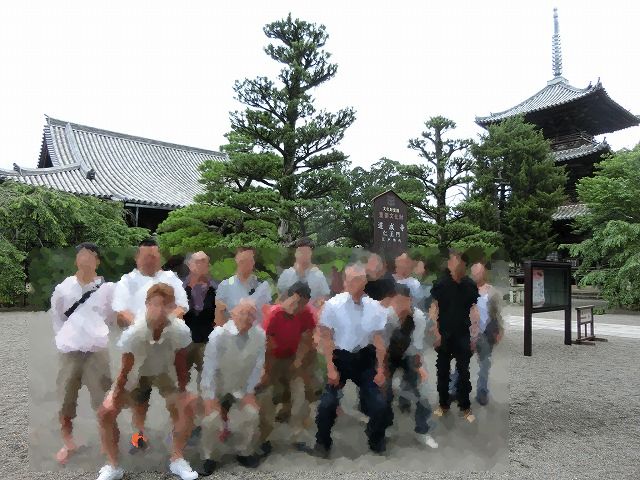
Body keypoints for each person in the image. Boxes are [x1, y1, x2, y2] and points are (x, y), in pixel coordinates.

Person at [95, 283, 198, 480]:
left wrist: (183, 391)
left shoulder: (180, 330)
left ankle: (177, 459)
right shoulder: (134, 333)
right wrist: (114, 396)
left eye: (165, 305)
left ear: (172, 307)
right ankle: (113, 466)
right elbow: (125, 370)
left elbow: (180, 363)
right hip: (137, 372)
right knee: (106, 412)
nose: (159, 310)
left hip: (165, 372)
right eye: (155, 304)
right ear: (147, 305)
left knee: (188, 404)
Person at [111, 237, 189, 452]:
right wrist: (143, 326)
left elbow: (182, 307)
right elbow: (121, 311)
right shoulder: (127, 280)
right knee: (139, 394)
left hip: (166, 343)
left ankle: (177, 433)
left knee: (173, 392)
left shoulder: (170, 278)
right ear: (137, 258)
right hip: (138, 344)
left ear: (159, 257)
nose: (150, 260)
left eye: (154, 256)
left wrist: (164, 321)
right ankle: (139, 433)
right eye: (146, 257)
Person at [312, 263, 389, 457]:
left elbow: (379, 341)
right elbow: (326, 337)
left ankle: (375, 438)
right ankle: (322, 442)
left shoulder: (375, 307)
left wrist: (381, 369)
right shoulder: (333, 305)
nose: (354, 284)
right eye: (350, 280)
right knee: (327, 404)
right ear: (345, 282)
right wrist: (330, 367)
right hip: (340, 357)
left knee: (379, 404)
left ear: (364, 282)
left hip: (364, 358)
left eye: (358, 280)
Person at [50, 243, 116, 465]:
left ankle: (107, 441)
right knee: (66, 399)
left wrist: (97, 332)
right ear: (76, 259)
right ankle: (68, 442)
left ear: (98, 261)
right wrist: (66, 338)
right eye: (82, 255)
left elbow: (111, 317)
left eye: (90, 256)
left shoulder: (107, 289)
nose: (86, 259)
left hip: (97, 351)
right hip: (69, 351)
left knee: (103, 399)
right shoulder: (63, 288)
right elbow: (57, 318)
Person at [199, 299, 266, 475]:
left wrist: (250, 391)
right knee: (211, 418)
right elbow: (209, 370)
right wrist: (210, 398)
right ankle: (210, 457)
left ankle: (243, 451)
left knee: (252, 414)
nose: (246, 317)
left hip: (240, 386)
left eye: (251, 314)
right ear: (233, 314)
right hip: (218, 385)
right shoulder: (219, 335)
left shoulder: (259, 336)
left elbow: (257, 366)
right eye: (242, 313)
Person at [259, 282, 316, 451]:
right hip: (272, 357)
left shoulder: (305, 314)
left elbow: (307, 338)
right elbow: (266, 344)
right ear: (287, 297)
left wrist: (298, 360)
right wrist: (266, 371)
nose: (297, 307)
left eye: (302, 304)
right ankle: (264, 438)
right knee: (267, 395)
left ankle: (298, 434)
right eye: (295, 302)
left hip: (293, 356)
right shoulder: (274, 314)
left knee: (300, 392)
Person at [382, 284, 438, 448]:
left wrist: (419, 369)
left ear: (410, 301)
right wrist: (382, 371)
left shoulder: (418, 317)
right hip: (388, 355)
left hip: (409, 354)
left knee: (424, 392)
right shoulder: (385, 317)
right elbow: (382, 346)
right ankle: (386, 425)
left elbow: (416, 347)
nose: (400, 307)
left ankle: (422, 430)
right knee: (384, 391)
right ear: (391, 302)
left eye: (404, 302)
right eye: (397, 302)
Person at [429, 249, 480, 423]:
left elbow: (473, 309)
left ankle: (465, 406)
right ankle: (443, 404)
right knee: (443, 371)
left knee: (463, 372)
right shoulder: (441, 284)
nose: (453, 265)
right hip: (443, 334)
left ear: (464, 264)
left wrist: (474, 334)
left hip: (463, 334)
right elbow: (434, 308)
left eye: (457, 261)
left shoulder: (470, 285)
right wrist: (435, 331)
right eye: (451, 262)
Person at [449, 261, 504, 406]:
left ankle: (482, 393)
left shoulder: (492, 292)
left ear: (484, 273)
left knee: (484, 365)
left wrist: (499, 330)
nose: (476, 275)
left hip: (486, 333)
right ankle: (452, 390)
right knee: (461, 363)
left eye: (479, 272)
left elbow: (497, 314)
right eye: (474, 272)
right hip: (468, 333)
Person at [182, 251, 218, 394]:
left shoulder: (215, 289)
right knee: (180, 381)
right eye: (197, 261)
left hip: (207, 340)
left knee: (206, 382)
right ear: (189, 265)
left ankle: (203, 404)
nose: (201, 265)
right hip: (184, 340)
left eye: (204, 262)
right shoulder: (180, 287)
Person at [214, 246, 272, 328]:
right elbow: (219, 317)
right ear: (236, 260)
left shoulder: (263, 286)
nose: (245, 265)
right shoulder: (224, 286)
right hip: (232, 332)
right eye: (242, 261)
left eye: (249, 261)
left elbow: (267, 315)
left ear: (253, 262)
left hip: (256, 333)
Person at [277, 237, 330, 309]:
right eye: (300, 251)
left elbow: (324, 299)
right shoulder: (287, 274)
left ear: (311, 253)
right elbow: (280, 299)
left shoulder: (318, 276)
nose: (303, 255)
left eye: (306, 252)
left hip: (311, 313)